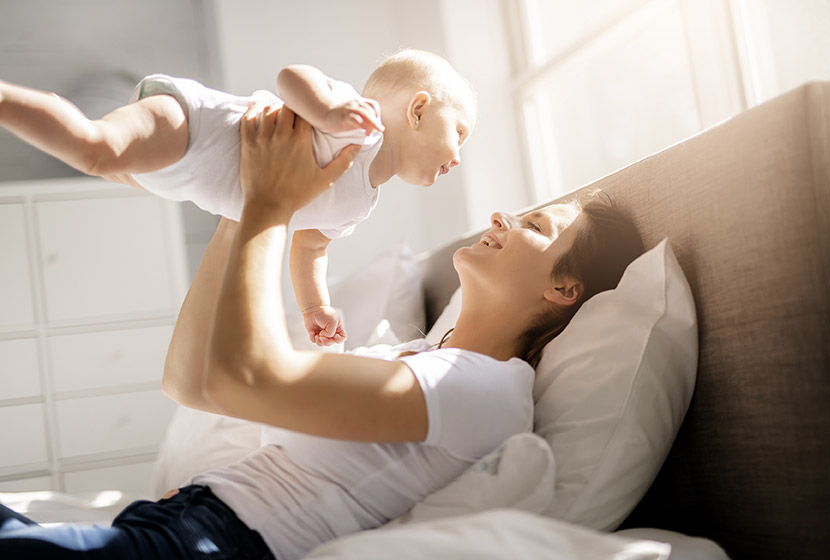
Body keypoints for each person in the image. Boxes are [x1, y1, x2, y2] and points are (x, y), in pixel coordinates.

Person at [0, 104, 644, 559]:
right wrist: (238, 205)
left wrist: (270, 204)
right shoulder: (413, 355)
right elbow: (191, 382)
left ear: (563, 290)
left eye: (535, 227)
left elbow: (242, 378)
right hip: (173, 522)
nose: (506, 215)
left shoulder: (489, 392)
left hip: (207, 544)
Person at [0, 49, 477, 347]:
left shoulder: (362, 202)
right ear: (417, 110)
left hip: (179, 179)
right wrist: (327, 110)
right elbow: (291, 76)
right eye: (459, 132)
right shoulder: (358, 121)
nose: (458, 157)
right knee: (93, 149)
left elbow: (309, 248)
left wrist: (315, 306)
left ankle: (57, 118)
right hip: (194, 126)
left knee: (104, 164)